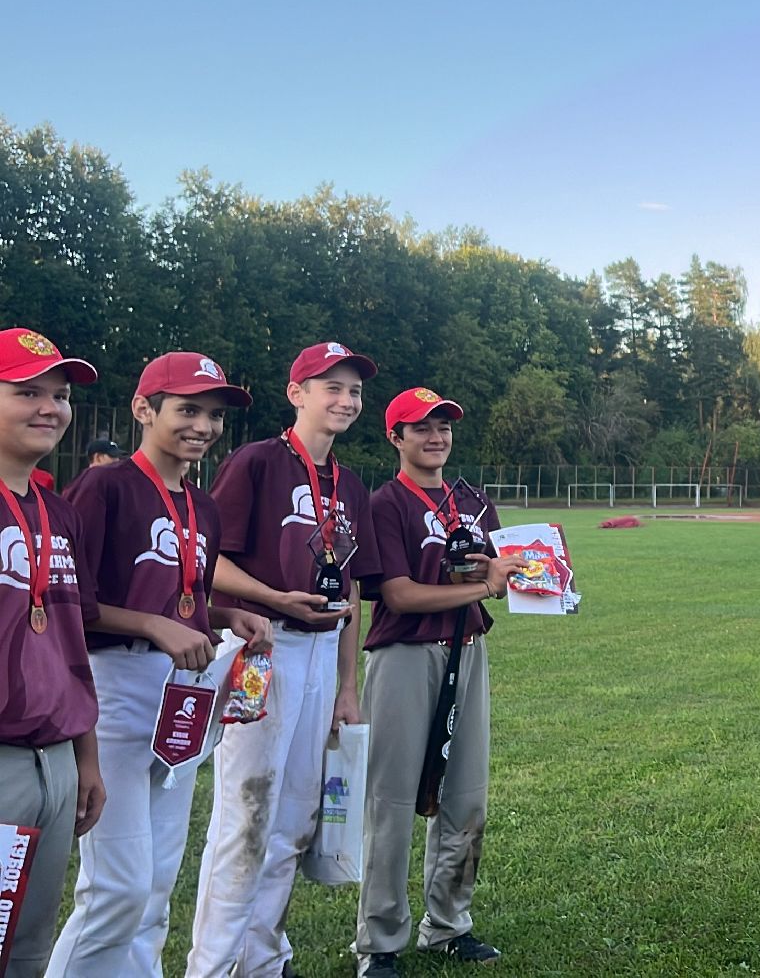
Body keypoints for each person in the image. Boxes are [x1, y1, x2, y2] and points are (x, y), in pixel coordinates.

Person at [49, 352, 273, 975]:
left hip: (180, 694)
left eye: (213, 415)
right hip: (116, 686)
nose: (203, 425)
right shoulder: (106, 486)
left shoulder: (203, 506)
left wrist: (229, 617)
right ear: (144, 409)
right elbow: (71, 603)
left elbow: (185, 601)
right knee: (115, 887)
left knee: (152, 886)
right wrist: (153, 624)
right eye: (187, 410)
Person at [189, 341, 377, 978]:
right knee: (246, 811)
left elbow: (351, 588)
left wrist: (348, 685)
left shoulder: (348, 482)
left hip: (323, 655)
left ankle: (262, 958)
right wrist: (273, 597)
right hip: (263, 647)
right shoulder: (258, 463)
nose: (346, 400)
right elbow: (209, 559)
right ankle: (213, 965)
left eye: (353, 390)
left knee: (294, 817)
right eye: (332, 387)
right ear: (296, 394)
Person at [355, 388, 527, 978]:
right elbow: (398, 595)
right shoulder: (385, 504)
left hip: (469, 648)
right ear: (395, 437)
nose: (436, 436)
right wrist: (485, 586)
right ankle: (379, 941)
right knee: (394, 799)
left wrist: (542, 577)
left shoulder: (473, 501)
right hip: (405, 653)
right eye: (420, 427)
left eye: (444, 426)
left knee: (466, 796)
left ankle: (448, 924)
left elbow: (511, 571)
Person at [0, 327, 106, 978]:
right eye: (27, 391)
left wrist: (86, 761)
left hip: (56, 762)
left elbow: (73, 642)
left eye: (61, 396)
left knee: (28, 950)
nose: (50, 408)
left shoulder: (55, 510)